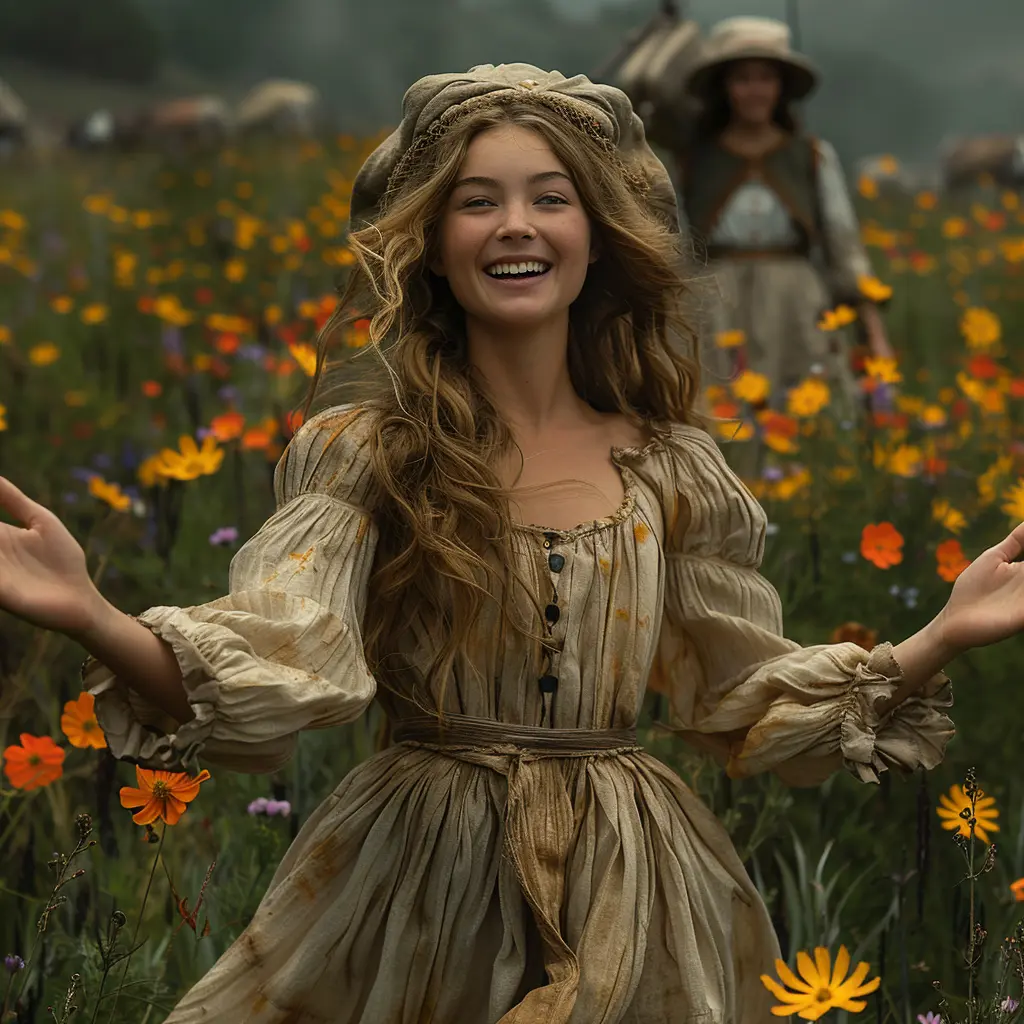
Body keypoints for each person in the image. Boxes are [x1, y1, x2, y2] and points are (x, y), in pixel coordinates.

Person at [0, 61, 1022, 1024]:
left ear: (597, 233)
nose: (514, 225)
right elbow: (279, 655)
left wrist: (936, 636)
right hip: (417, 873)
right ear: (433, 240)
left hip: (632, 880)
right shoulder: (369, 453)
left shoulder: (670, 468)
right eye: (475, 200)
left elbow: (742, 697)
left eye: (549, 196)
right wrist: (92, 615)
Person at [676, 16, 895, 413]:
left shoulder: (812, 156)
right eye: (743, 79)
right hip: (717, 306)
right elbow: (676, 247)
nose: (755, 90)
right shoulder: (694, 161)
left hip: (796, 302)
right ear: (725, 88)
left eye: (765, 78)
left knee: (802, 413)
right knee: (723, 414)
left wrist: (873, 333)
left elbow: (843, 246)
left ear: (780, 87)